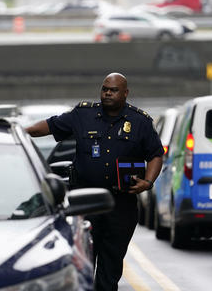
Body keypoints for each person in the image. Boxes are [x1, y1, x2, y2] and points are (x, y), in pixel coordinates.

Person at [25, 72, 164, 291]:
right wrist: (20, 132)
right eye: (105, 89)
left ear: (125, 93)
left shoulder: (140, 122)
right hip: (84, 204)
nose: (107, 93)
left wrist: (148, 182)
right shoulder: (83, 114)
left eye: (114, 90)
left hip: (121, 205)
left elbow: (156, 154)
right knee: (82, 266)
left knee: (110, 270)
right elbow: (49, 126)